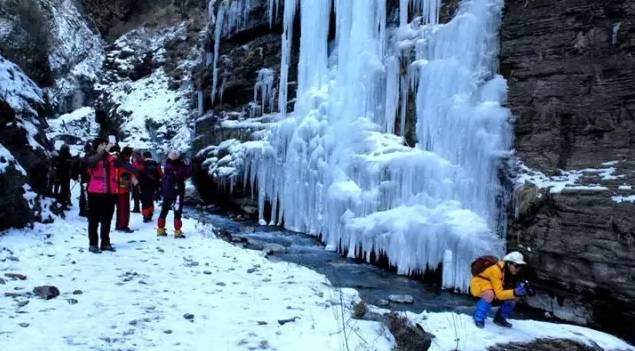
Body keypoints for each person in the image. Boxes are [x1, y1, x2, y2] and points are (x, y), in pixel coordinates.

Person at [470, 251, 527, 328]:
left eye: (521, 266)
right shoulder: (496, 270)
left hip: (495, 286)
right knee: (490, 294)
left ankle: (500, 318)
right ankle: (478, 317)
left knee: (515, 297)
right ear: (509, 263)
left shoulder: (514, 272)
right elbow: (499, 294)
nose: (518, 269)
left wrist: (520, 290)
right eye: (516, 266)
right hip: (480, 284)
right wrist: (514, 292)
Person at [85, 137, 119, 253]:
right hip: (95, 193)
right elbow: (91, 163)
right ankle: (93, 243)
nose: (104, 146)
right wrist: (104, 152)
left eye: (105, 144)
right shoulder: (90, 156)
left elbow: (123, 165)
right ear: (96, 146)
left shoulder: (111, 158)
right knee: (93, 220)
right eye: (101, 144)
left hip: (110, 193)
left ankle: (105, 242)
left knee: (107, 219)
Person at [157, 150, 191, 238]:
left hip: (167, 190)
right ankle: (177, 231)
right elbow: (187, 173)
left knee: (164, 209)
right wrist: (188, 164)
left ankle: (160, 230)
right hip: (177, 191)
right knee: (177, 210)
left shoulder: (167, 165)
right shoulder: (179, 166)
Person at [115, 146, 138, 233]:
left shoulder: (118, 161)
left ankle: (119, 224)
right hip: (123, 187)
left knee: (119, 208)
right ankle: (123, 226)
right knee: (124, 208)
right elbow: (131, 172)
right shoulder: (125, 164)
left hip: (116, 188)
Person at [138, 151, 162, 223]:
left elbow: (138, 173)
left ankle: (146, 216)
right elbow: (161, 174)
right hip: (154, 185)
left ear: (144, 156)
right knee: (151, 200)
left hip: (144, 185)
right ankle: (150, 215)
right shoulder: (156, 164)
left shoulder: (143, 164)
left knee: (145, 201)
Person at [52, 144, 74, 209]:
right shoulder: (67, 156)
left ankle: (60, 201)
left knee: (60, 189)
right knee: (65, 190)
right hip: (65, 176)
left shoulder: (59, 156)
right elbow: (69, 165)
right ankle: (64, 203)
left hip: (59, 175)